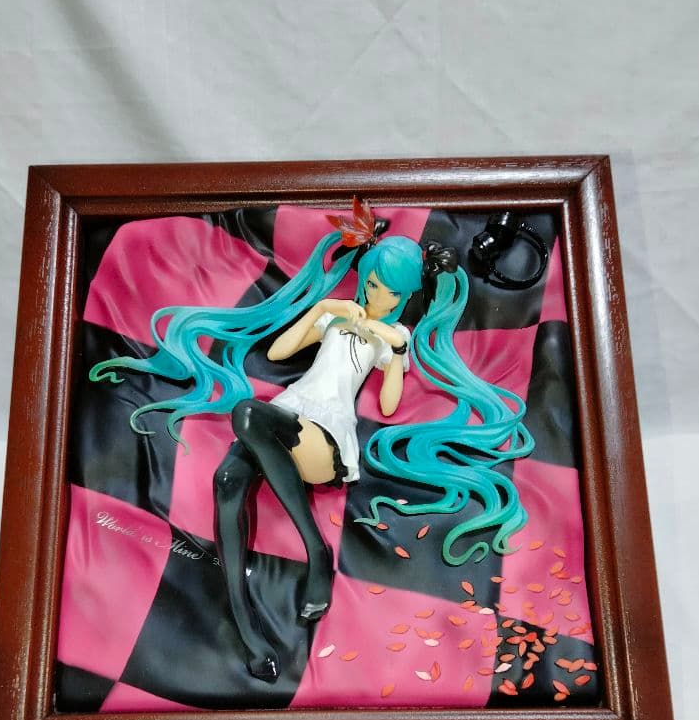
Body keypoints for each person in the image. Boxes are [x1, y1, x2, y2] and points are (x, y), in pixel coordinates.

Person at [89, 202, 534, 683]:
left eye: (387, 292)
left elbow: (388, 405)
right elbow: (280, 350)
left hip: (324, 434)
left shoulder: (392, 336)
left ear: (405, 297)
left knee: (246, 414)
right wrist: (323, 309)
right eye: (370, 284)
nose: (374, 296)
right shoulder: (336, 317)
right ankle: (250, 633)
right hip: (286, 411)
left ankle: (316, 550)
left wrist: (395, 352)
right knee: (226, 481)